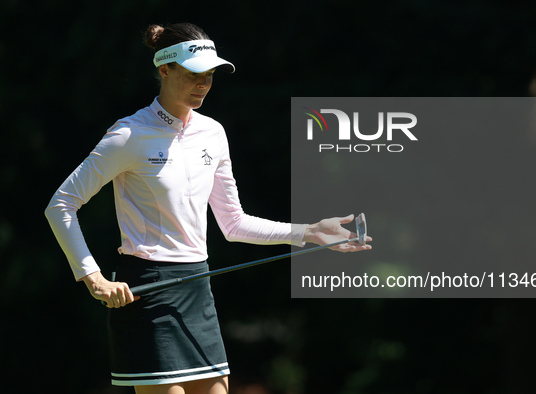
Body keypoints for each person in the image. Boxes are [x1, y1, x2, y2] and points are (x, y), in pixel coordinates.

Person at [45, 22, 371, 394]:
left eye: (211, 75)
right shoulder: (128, 135)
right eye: (194, 74)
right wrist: (94, 277)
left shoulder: (213, 133)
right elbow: (61, 205)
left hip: (197, 286)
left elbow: (234, 223)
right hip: (146, 289)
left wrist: (308, 232)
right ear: (163, 69)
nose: (204, 84)